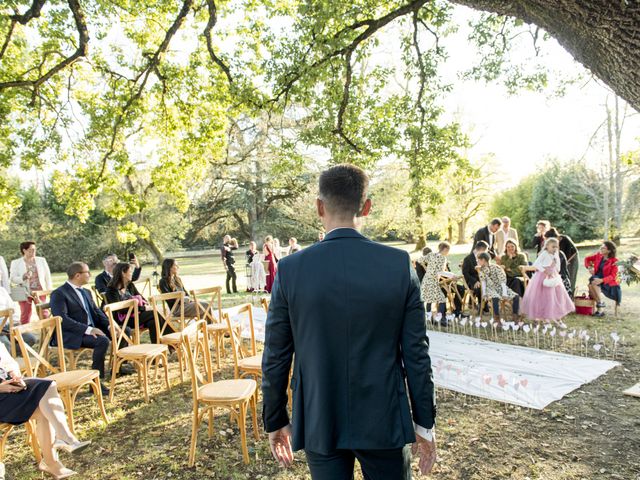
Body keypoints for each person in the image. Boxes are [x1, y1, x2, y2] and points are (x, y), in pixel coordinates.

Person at [262, 164, 437, 479]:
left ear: (319, 207)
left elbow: (276, 354)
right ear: (367, 207)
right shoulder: (398, 265)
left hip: (319, 414)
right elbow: (416, 354)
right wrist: (424, 421)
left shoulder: (290, 270)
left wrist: (275, 418)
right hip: (383, 416)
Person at [0, 342, 91, 479]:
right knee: (44, 407)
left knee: (47, 387)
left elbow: (8, 362)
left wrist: (14, 375)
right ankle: (53, 459)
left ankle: (62, 438)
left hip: (9, 388)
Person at [50, 262, 113, 395]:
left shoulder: (86, 291)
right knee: (102, 341)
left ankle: (118, 368)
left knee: (124, 331)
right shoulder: (59, 293)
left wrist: (109, 325)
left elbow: (97, 311)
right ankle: (95, 381)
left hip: (91, 327)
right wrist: (89, 330)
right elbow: (63, 319)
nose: (90, 275)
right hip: (74, 332)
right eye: (87, 272)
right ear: (77, 275)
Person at [104, 263, 173, 344]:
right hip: (124, 320)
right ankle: (172, 343)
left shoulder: (129, 285)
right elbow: (121, 310)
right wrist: (143, 308)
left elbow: (141, 297)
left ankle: (157, 351)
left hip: (137, 316)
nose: (132, 274)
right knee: (154, 313)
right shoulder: (111, 290)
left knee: (153, 322)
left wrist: (146, 304)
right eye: (130, 272)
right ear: (123, 273)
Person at [520, 238, 575, 323]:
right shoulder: (544, 254)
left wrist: (554, 268)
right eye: (553, 247)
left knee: (556, 296)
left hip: (553, 276)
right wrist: (544, 270)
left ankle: (557, 317)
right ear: (547, 247)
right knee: (542, 298)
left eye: (556, 247)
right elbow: (536, 264)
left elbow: (558, 268)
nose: (555, 249)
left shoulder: (556, 255)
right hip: (542, 277)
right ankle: (542, 318)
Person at [9, 242, 53, 325]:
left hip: (40, 292)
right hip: (24, 292)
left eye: (34, 249)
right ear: (24, 250)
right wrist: (23, 277)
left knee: (44, 313)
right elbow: (12, 279)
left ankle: (48, 333)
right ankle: (25, 336)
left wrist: (49, 290)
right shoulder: (15, 262)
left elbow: (47, 276)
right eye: (31, 250)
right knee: (25, 314)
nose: (34, 251)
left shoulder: (41, 260)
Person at [477, 253, 520, 320]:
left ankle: (515, 316)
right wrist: (484, 293)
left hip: (501, 288)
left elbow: (502, 281)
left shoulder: (496, 268)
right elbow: (483, 282)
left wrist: (504, 293)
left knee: (516, 296)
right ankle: (497, 319)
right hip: (490, 289)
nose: (477, 262)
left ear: (483, 260)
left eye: (478, 260)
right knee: (495, 297)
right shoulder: (481, 271)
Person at [585, 241, 622, 317]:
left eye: (603, 248)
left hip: (608, 283)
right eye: (601, 247)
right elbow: (587, 259)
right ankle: (600, 305)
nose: (601, 249)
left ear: (609, 251)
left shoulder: (614, 261)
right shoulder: (599, 256)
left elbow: (613, 276)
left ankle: (600, 308)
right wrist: (590, 267)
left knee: (592, 282)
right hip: (596, 279)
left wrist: (601, 280)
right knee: (591, 284)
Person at [417, 242, 451, 321]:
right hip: (433, 281)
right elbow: (441, 272)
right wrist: (452, 275)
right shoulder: (443, 258)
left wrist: (426, 267)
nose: (448, 253)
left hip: (426, 280)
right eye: (448, 250)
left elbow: (419, 259)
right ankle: (441, 319)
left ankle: (429, 319)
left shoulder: (431, 255)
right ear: (445, 249)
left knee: (429, 299)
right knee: (442, 299)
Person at [0, 286, 36, 352]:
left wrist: (16, 322)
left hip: (9, 324)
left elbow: (12, 307)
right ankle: (7, 356)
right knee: (5, 344)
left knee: (30, 339)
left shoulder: (2, 290)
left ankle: (10, 354)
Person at [544, 228, 579, 294]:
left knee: (571, 277)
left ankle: (570, 296)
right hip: (562, 258)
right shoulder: (554, 244)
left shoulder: (565, 239)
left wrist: (563, 262)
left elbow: (571, 253)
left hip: (572, 259)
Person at [462, 241, 490, 311]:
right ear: (482, 249)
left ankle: (485, 304)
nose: (486, 252)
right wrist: (475, 281)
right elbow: (465, 273)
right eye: (486, 250)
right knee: (479, 287)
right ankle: (482, 305)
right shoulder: (468, 259)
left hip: (483, 279)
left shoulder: (484, 258)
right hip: (471, 280)